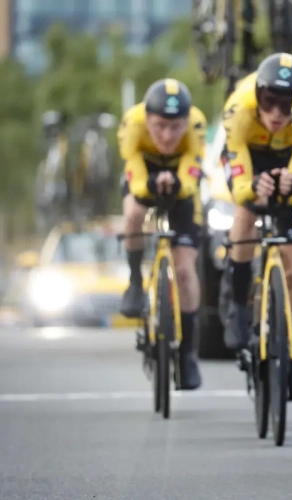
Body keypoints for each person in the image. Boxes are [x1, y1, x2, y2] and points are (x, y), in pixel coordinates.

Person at [222, 53, 292, 401]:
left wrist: (290, 184)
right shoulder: (239, 110)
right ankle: (238, 302)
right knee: (246, 214)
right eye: (269, 103)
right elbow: (239, 175)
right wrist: (252, 189)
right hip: (251, 154)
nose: (277, 113)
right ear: (258, 97)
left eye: (286, 105)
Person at [118, 78, 207, 389]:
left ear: (186, 121)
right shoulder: (132, 122)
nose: (168, 135)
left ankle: (187, 355)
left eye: (175, 127)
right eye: (159, 127)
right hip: (145, 171)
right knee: (133, 213)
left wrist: (179, 185)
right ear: (147, 119)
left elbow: (193, 176)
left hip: (182, 179)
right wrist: (150, 187)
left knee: (184, 269)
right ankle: (134, 281)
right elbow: (134, 172)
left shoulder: (196, 124)